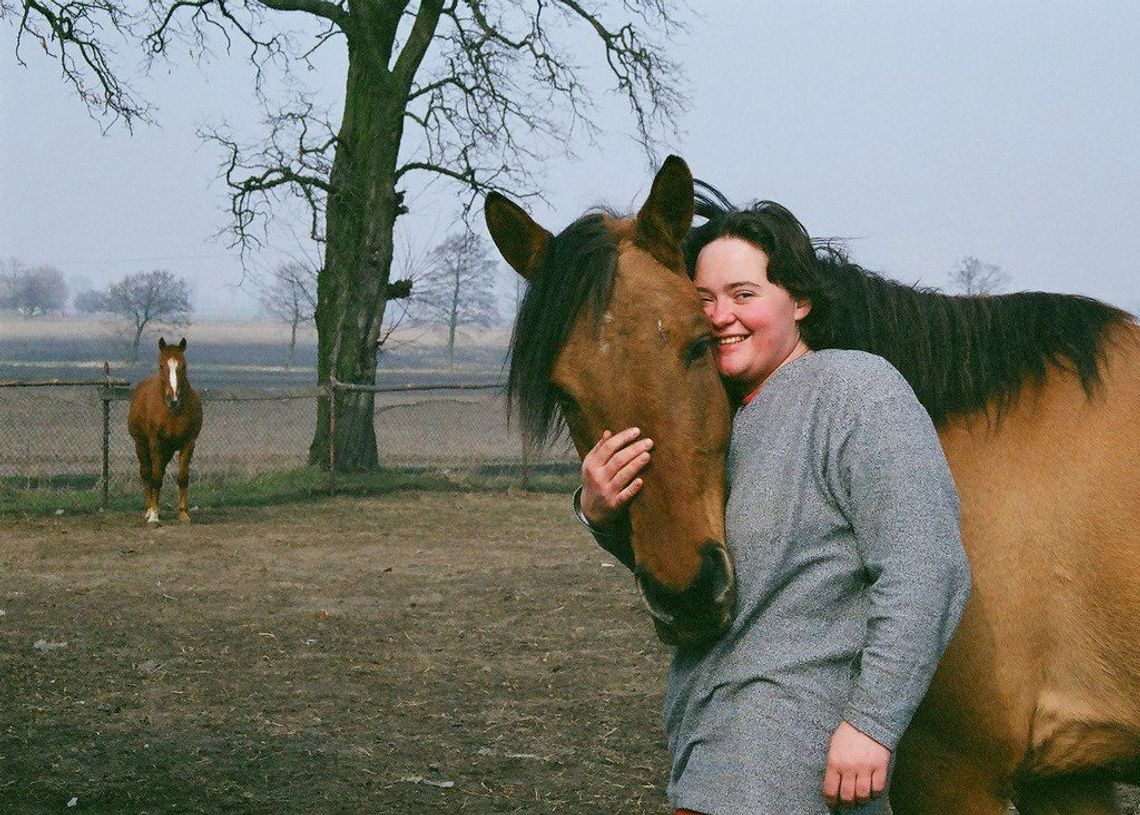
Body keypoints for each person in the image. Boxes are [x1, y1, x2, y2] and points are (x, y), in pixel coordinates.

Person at [574, 191, 971, 814]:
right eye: (704, 299)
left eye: (744, 294)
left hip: (796, 764)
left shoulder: (855, 391)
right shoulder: (722, 417)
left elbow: (927, 567)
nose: (720, 316)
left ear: (800, 300)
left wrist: (872, 724)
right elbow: (712, 580)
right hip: (711, 753)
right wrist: (600, 513)